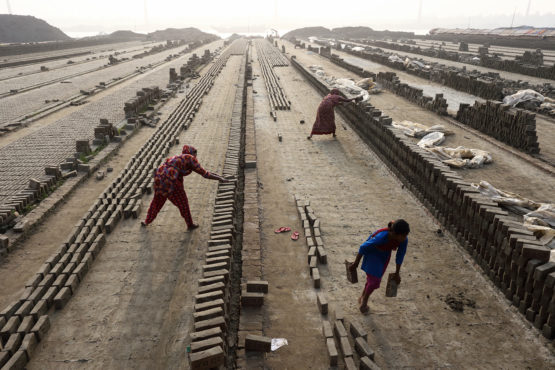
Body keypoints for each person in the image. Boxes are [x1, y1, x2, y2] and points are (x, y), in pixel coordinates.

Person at [141, 145, 231, 230]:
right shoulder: (191, 159)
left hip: (159, 177)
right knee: (183, 203)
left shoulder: (179, 157)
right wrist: (220, 179)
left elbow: (205, 171)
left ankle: (147, 221)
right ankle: (190, 224)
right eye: (195, 154)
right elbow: (205, 174)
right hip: (171, 180)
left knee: (157, 201)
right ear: (192, 153)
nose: (196, 157)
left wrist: (220, 177)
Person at [349, 219, 410, 314]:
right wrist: (356, 263)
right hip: (373, 253)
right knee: (375, 281)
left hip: (384, 257)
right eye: (403, 236)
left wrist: (397, 273)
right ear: (396, 234)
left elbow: (400, 255)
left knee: (372, 280)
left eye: (406, 235)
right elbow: (363, 247)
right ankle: (364, 300)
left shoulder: (403, 240)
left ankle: (362, 297)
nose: (405, 238)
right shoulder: (381, 237)